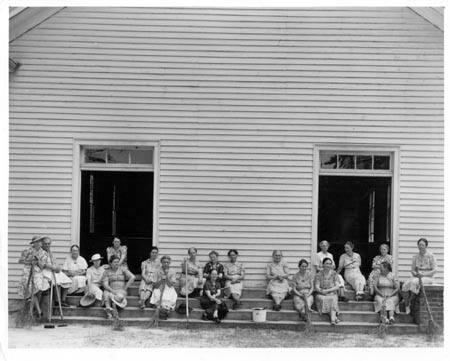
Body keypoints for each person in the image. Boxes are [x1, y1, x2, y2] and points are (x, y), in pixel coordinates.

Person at [17, 235, 51, 318]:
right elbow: (20, 261)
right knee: (31, 288)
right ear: (34, 243)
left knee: (37, 289)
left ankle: (36, 310)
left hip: (37, 272)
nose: (39, 243)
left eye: (40, 242)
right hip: (27, 271)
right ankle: (38, 311)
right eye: (37, 242)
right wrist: (29, 261)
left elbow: (42, 267)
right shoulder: (26, 251)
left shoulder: (44, 253)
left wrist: (38, 261)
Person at [401, 238, 437, 314]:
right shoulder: (415, 256)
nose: (420, 246)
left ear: (426, 246)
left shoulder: (431, 256)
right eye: (419, 244)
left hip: (428, 277)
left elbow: (434, 270)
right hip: (417, 277)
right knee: (405, 285)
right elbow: (412, 270)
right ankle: (407, 305)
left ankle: (411, 302)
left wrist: (424, 274)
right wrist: (415, 274)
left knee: (414, 283)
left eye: (422, 245)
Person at [41, 236, 72, 307]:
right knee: (57, 281)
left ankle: (63, 300)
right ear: (42, 244)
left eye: (48, 244)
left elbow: (54, 261)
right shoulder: (41, 252)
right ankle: (57, 301)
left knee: (66, 280)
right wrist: (53, 267)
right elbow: (42, 264)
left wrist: (58, 267)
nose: (47, 245)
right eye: (45, 244)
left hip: (53, 270)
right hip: (45, 271)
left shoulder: (50, 252)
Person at [314, 258, 341, 325]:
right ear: (323, 264)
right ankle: (334, 317)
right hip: (321, 293)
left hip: (332, 292)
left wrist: (328, 290)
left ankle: (332, 319)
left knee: (332, 298)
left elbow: (337, 286)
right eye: (326, 263)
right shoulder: (318, 274)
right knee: (323, 299)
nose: (328, 265)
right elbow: (316, 286)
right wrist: (322, 291)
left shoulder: (334, 274)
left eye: (330, 264)